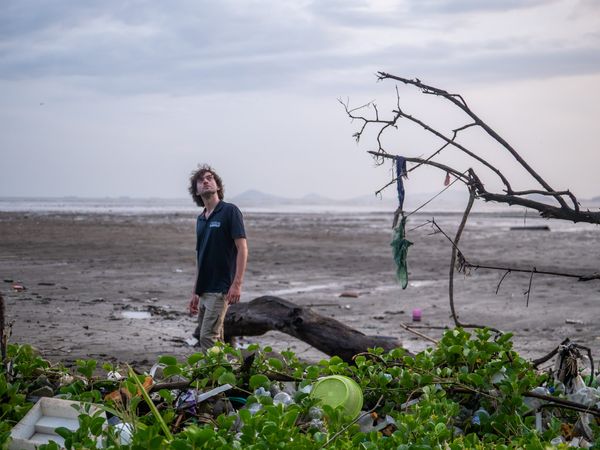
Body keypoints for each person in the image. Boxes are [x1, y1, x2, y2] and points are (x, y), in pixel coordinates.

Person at [188, 164, 248, 352]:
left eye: (209, 178)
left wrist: (237, 284)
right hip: (204, 289)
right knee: (216, 338)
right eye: (200, 180)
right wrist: (195, 292)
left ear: (218, 186)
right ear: (196, 191)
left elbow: (242, 248)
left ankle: (215, 380)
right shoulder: (201, 219)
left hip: (220, 288)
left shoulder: (230, 211)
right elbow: (201, 256)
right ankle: (225, 375)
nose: (205, 181)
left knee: (207, 337)